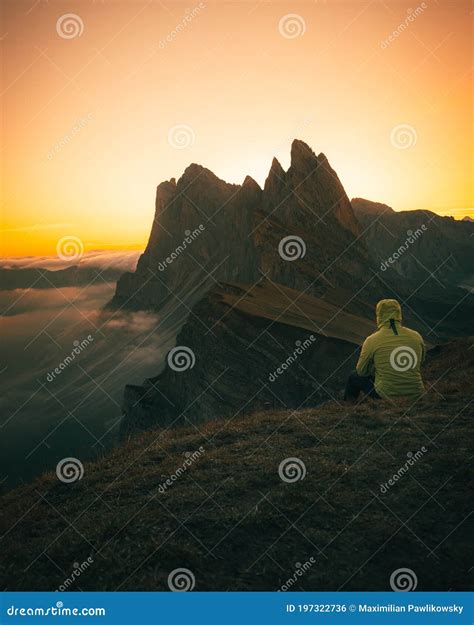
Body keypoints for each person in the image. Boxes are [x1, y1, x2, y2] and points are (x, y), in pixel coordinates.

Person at [344, 299, 425, 401]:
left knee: (353, 376)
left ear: (379, 316)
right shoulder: (416, 336)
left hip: (386, 395)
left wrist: (376, 369)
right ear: (399, 314)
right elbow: (420, 363)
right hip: (417, 394)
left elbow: (361, 371)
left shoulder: (372, 340)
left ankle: (348, 408)